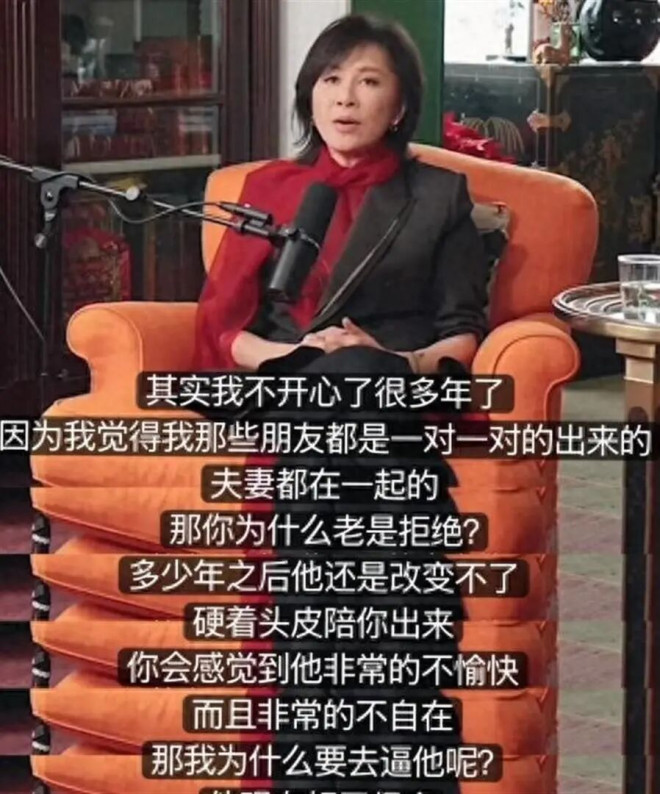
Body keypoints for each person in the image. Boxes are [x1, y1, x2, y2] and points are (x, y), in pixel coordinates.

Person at [193, 14, 490, 792]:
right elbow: (224, 331)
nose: (346, 98)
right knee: (341, 376)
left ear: (400, 105)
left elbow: (462, 331)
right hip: (284, 384)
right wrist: (300, 356)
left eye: (367, 81)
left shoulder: (437, 196)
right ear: (309, 94)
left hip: (388, 387)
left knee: (357, 373)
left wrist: (395, 359)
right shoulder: (267, 191)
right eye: (330, 79)